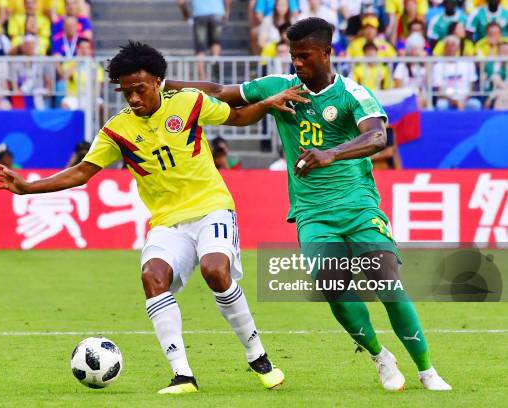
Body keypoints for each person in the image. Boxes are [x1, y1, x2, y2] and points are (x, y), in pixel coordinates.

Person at [0, 41, 309, 394]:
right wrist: (29, 187)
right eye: (126, 92)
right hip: (167, 221)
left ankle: (258, 357)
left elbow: (238, 116)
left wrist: (264, 104)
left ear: (158, 81)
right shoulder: (117, 130)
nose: (134, 98)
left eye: (140, 89)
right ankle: (183, 375)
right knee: (152, 277)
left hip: (212, 207)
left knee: (215, 270)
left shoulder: (189, 103)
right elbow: (82, 172)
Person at [165, 17, 452, 392]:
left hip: (359, 206)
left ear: (326, 53)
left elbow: (378, 136)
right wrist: (161, 83)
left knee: (386, 282)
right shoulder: (279, 89)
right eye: (292, 55)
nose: (297, 63)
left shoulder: (353, 94)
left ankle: (427, 370)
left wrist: (330, 154)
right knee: (334, 287)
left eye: (304, 56)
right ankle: (380, 356)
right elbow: (220, 91)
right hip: (313, 213)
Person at [178, 0, 231, 81]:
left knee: (200, 49)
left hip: (200, 15)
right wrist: (226, 11)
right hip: (217, 13)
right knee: (216, 43)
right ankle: (215, 66)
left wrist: (186, 15)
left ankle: (202, 80)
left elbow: (181, 2)